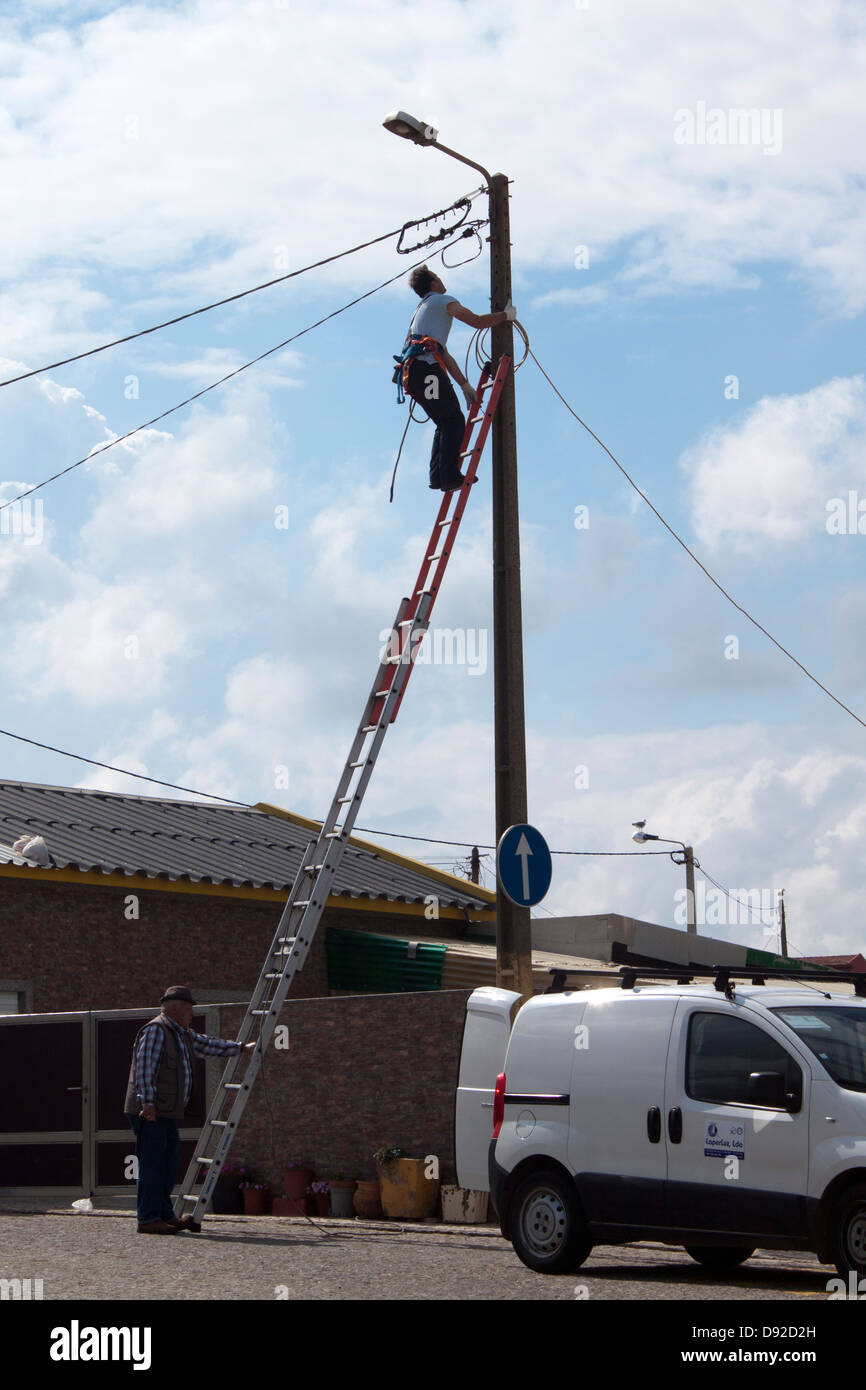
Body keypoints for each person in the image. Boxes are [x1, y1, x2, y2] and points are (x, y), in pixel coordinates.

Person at [123, 985, 254, 1234]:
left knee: (167, 1164)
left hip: (165, 1111)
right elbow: (144, 1069)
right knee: (152, 1165)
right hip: (151, 1112)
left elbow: (207, 1045)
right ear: (176, 1008)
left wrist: (241, 1048)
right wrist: (147, 1103)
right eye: (189, 1008)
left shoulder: (181, 1033)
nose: (192, 1013)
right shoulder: (156, 1030)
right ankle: (148, 1218)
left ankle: (163, 1215)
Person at [397, 266, 517, 491]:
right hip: (426, 371)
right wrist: (505, 316)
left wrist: (464, 385)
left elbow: (443, 353)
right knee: (452, 421)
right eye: (437, 276)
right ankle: (449, 476)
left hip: (414, 374)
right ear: (432, 283)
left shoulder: (422, 310)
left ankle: (439, 477)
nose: (440, 279)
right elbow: (476, 321)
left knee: (445, 423)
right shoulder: (443, 301)